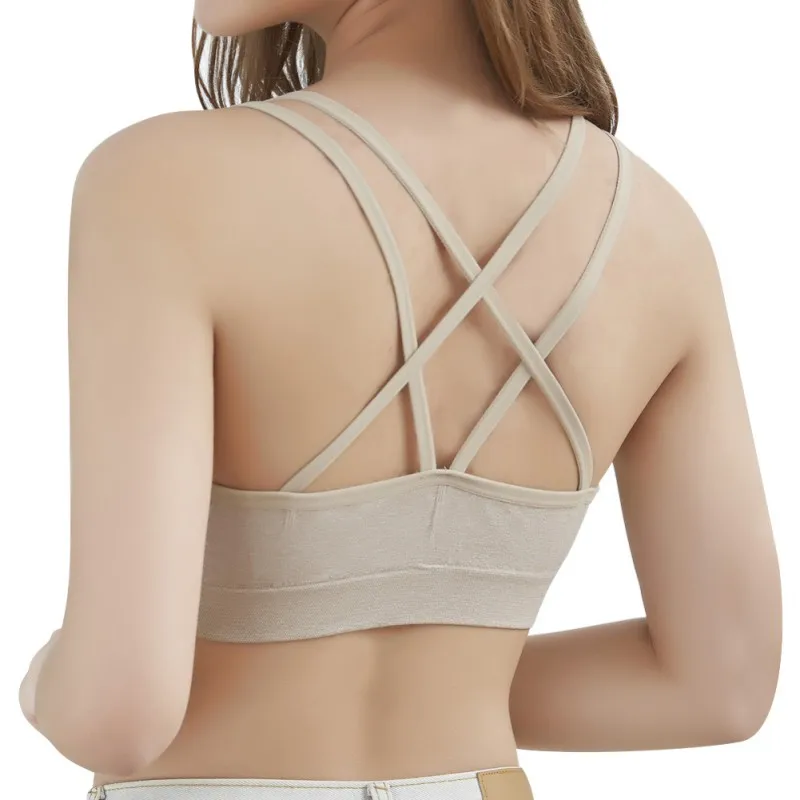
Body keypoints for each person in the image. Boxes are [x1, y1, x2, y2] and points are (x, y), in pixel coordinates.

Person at [18, 1, 782, 799]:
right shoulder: (658, 229)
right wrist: (459, 687)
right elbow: (719, 686)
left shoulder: (163, 182)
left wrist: (46, 684)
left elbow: (117, 713)